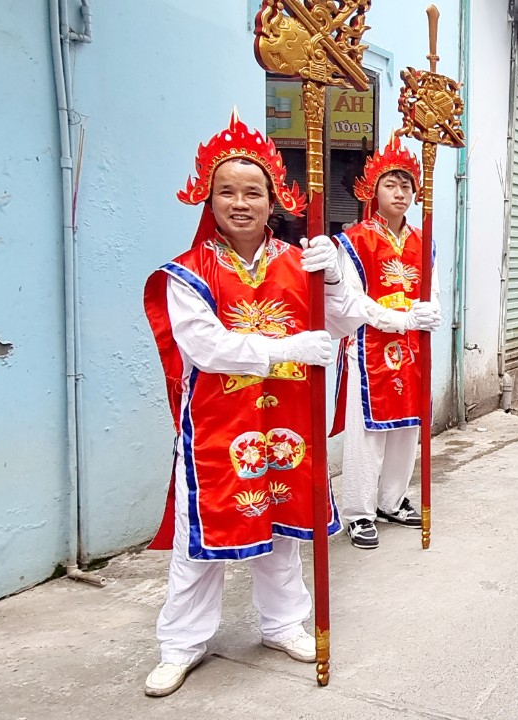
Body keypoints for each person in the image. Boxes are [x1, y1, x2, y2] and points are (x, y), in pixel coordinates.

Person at [141, 113, 382, 697]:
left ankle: (282, 624)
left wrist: (332, 282)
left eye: (254, 191)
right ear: (208, 196)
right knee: (203, 542)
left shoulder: (302, 261)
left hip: (287, 421)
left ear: (275, 199)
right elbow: (206, 347)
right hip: (218, 427)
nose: (240, 202)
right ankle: (182, 644)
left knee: (283, 531)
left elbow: (350, 318)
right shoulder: (188, 272)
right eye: (228, 190)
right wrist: (287, 346)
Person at [333, 133, 445, 549]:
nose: (400, 193)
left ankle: (392, 499)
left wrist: (431, 310)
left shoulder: (423, 240)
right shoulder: (354, 241)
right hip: (370, 348)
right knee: (368, 433)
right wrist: (400, 318)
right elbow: (350, 300)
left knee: (407, 428)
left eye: (407, 186)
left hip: (414, 347)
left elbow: (432, 287)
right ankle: (359, 512)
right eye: (390, 185)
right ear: (372, 190)